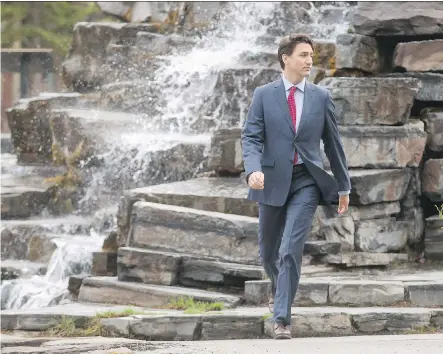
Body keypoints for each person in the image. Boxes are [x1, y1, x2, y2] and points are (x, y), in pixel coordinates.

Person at [241, 33, 351, 340]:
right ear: (285, 58)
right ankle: (282, 293)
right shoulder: (264, 95)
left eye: (311, 55)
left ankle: (282, 319)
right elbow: (250, 137)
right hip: (271, 182)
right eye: (303, 55)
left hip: (307, 181)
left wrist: (343, 187)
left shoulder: (321, 97)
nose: (309, 60)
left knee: (290, 249)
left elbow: (333, 144)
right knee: (267, 253)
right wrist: (252, 170)